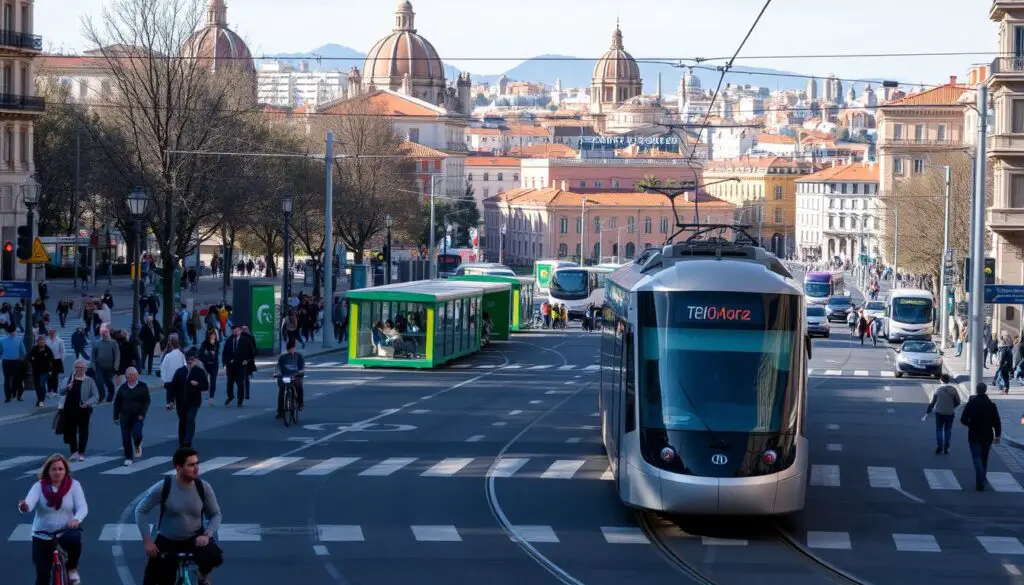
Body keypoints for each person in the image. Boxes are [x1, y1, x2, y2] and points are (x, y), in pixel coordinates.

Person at [135, 448, 223, 585]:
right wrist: (148, 541)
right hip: (168, 540)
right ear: (178, 468)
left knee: (214, 556)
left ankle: (202, 575)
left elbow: (216, 514)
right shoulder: (164, 487)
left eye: (197, 464)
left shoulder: (203, 487)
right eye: (191, 465)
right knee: (154, 580)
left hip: (195, 538)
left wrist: (207, 535)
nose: (196, 469)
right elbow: (140, 510)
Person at [17, 454, 88, 585]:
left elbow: (82, 507)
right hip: (42, 535)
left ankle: (72, 568)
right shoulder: (39, 486)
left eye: (60, 469)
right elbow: (28, 504)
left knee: (75, 539)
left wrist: (76, 519)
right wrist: (24, 507)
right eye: (54, 469)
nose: (57, 472)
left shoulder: (74, 485)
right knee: (42, 576)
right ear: (48, 471)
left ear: (66, 470)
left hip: (65, 531)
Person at [960, 382, 1002, 491]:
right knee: (984, 458)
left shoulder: (972, 403)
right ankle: (982, 479)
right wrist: (997, 435)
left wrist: (970, 425)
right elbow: (996, 421)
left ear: (977, 390)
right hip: (987, 435)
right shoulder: (991, 405)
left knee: (976, 458)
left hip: (974, 434)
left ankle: (980, 480)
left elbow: (963, 419)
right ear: (986, 390)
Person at [60, 360, 99, 462]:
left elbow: (96, 396)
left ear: (85, 369)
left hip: (83, 409)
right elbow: (61, 391)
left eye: (81, 368)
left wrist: (87, 403)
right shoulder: (69, 379)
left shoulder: (89, 380)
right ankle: (73, 452)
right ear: (74, 368)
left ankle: (81, 452)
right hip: (69, 408)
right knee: (71, 430)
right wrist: (68, 387)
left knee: (83, 431)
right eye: (77, 367)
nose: (79, 369)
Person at [113, 367, 151, 466]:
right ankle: (128, 457)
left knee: (137, 434)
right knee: (125, 437)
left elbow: (147, 401)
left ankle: (137, 444)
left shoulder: (142, 386)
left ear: (137, 375)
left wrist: (142, 414)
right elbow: (117, 402)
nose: (130, 377)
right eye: (128, 375)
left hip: (138, 416)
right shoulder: (123, 388)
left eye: (132, 375)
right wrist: (116, 416)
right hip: (125, 416)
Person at [172, 349, 208, 448]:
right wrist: (170, 401)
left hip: (194, 402)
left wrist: (197, 385)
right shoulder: (180, 371)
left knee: (190, 419)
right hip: (181, 402)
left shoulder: (199, 372)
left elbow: (206, 386)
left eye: (192, 359)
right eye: (188, 359)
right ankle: (182, 442)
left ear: (196, 360)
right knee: (182, 421)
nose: (190, 361)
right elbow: (173, 387)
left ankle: (188, 440)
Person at [925, 374, 962, 454]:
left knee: (939, 429)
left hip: (939, 412)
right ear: (948, 380)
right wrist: (952, 407)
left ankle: (939, 446)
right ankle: (946, 448)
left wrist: (929, 410)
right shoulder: (953, 390)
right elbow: (958, 402)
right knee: (948, 430)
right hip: (950, 413)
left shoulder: (937, 389)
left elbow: (932, 402)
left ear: (941, 380)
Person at [221, 324, 254, 407]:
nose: (235, 333)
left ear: (240, 331)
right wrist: (225, 362)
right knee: (229, 382)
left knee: (240, 383)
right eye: (233, 331)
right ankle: (230, 397)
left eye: (237, 331)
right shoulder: (229, 340)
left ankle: (240, 399)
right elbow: (224, 352)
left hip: (241, 365)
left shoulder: (246, 340)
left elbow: (252, 352)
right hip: (230, 365)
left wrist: (247, 360)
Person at [275, 340, 305, 419]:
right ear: (287, 349)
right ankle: (280, 411)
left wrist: (300, 372)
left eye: (292, 349)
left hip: (295, 376)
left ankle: (300, 403)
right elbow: (278, 367)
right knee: (281, 391)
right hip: (285, 376)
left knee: (299, 386)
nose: (291, 351)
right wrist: (277, 373)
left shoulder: (299, 356)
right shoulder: (282, 357)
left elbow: (301, 368)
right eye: (289, 349)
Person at [90, 326, 120, 403]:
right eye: (103, 333)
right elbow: (93, 354)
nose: (104, 334)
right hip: (99, 365)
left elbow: (117, 355)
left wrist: (115, 366)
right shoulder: (97, 342)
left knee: (108, 381)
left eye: (106, 332)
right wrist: (92, 363)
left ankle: (111, 394)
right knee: (99, 381)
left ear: (109, 333)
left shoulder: (113, 343)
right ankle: (101, 395)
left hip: (110, 366)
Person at [27, 335, 54, 407]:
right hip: (36, 371)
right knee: (37, 386)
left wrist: (50, 370)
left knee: (42, 385)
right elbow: (30, 357)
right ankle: (39, 398)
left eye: (43, 342)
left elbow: (51, 360)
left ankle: (41, 400)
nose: (42, 343)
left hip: (44, 371)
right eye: (40, 342)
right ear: (38, 342)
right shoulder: (34, 349)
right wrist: (33, 361)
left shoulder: (48, 350)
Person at [0, 324, 25, 402]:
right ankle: (19, 395)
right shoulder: (19, 339)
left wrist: (4, 356)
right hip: (16, 361)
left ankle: (8, 397)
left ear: (7, 331)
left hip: (6, 361)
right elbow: (23, 352)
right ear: (14, 331)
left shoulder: (2, 340)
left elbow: (0, 352)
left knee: (7, 379)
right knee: (18, 379)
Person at [161, 336, 185, 409]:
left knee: (170, 390)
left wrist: (163, 378)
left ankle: (170, 402)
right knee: (178, 390)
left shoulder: (168, 355)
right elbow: (185, 365)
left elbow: (163, 366)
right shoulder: (181, 354)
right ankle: (176, 402)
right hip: (179, 377)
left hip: (170, 377)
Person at [197, 329, 220, 406]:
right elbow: (200, 355)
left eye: (214, 334)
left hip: (214, 365)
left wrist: (212, 346)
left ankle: (211, 398)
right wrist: (205, 360)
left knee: (213, 381)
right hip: (206, 365)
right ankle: (201, 394)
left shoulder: (217, 343)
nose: (212, 335)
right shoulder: (204, 343)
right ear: (208, 335)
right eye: (211, 334)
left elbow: (215, 354)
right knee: (204, 381)